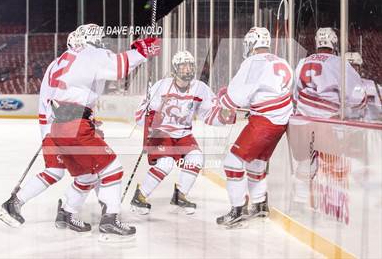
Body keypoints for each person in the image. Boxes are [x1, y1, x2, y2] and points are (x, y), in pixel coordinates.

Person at [47, 23, 161, 241]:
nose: (103, 42)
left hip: (60, 125)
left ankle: (67, 213)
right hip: (75, 124)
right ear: (95, 39)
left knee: (87, 174)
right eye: (101, 38)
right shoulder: (91, 53)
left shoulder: (70, 57)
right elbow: (119, 68)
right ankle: (111, 220)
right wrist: (141, 51)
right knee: (112, 168)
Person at [130, 50, 236, 215]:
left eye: (190, 65)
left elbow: (208, 114)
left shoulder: (200, 88)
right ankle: (140, 196)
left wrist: (223, 115)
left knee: (196, 159)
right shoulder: (161, 86)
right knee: (165, 164)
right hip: (162, 133)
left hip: (184, 134)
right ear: (174, 69)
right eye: (183, 65)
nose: (187, 69)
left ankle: (180, 195)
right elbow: (139, 117)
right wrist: (153, 110)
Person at [0, 31, 82, 228]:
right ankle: (18, 205)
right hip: (61, 126)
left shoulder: (58, 63)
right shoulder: (75, 65)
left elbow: (49, 97)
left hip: (53, 124)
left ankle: (64, 206)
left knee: (64, 171)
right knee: (87, 169)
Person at [216, 27, 293, 228]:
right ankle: (259, 204)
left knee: (233, 162)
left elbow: (237, 97)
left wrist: (224, 97)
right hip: (280, 123)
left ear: (251, 43)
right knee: (256, 164)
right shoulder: (281, 61)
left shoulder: (252, 62)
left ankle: (238, 209)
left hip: (264, 122)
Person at [293, 27, 366, 119]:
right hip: (329, 116)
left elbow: (295, 93)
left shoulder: (303, 61)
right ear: (334, 43)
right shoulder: (339, 62)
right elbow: (358, 97)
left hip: (304, 114)